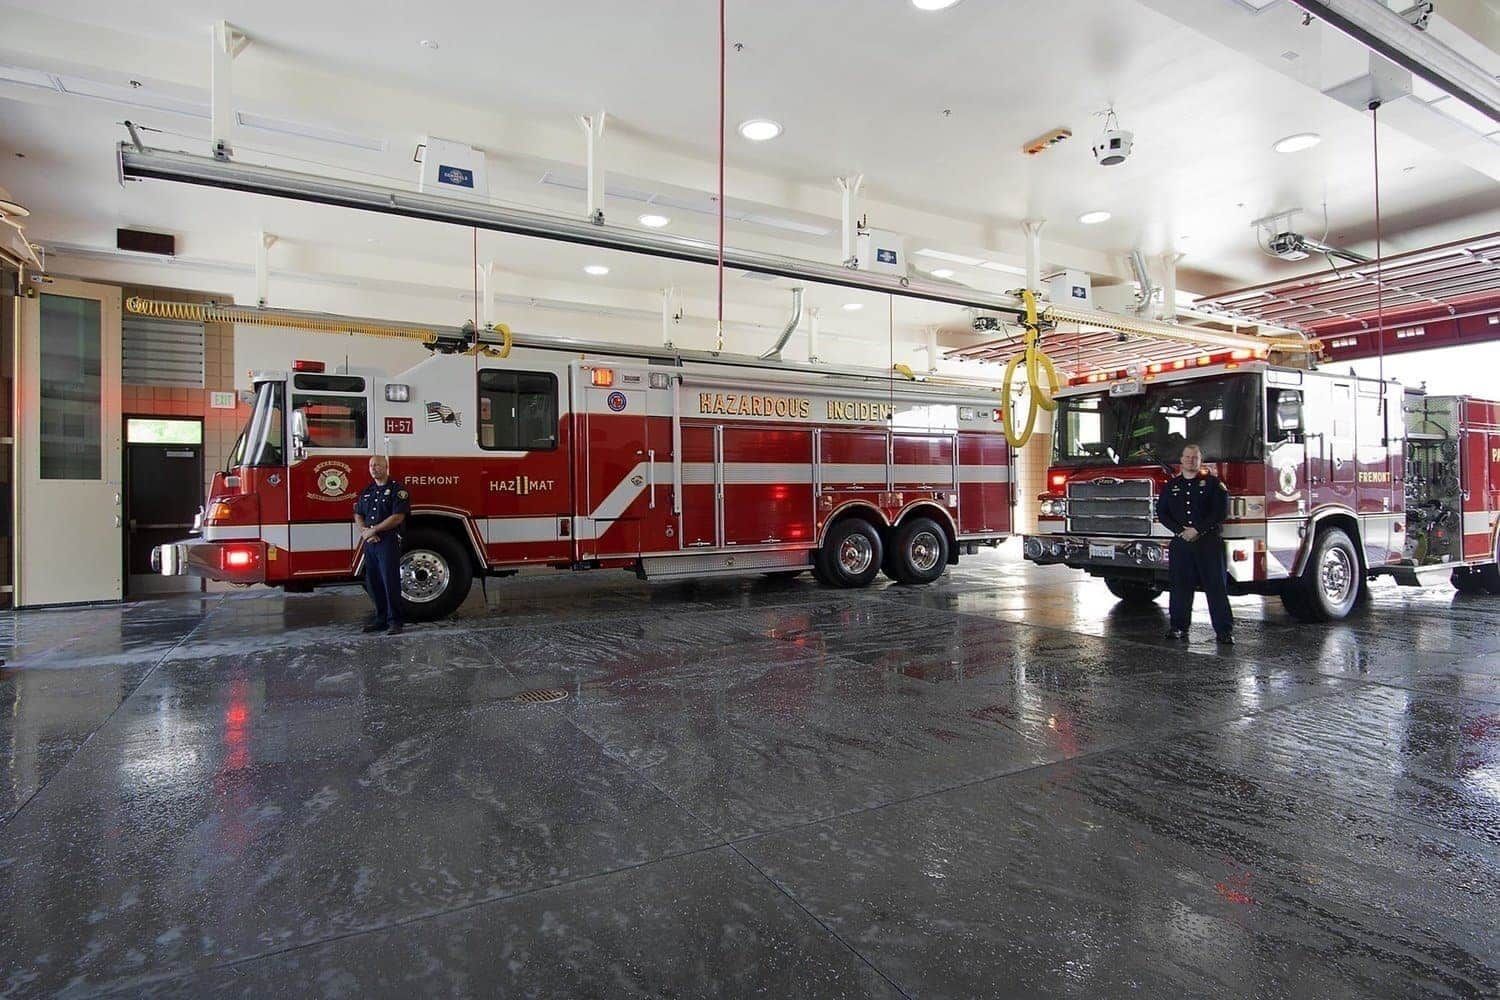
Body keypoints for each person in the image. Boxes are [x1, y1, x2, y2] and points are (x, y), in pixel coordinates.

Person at [1156, 443, 1233, 644]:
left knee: (1216, 587)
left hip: (1208, 543)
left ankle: (1224, 631)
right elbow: (1162, 513)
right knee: (1180, 587)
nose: (1191, 460)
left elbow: (1220, 512)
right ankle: (1178, 627)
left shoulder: (1213, 484)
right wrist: (1180, 531)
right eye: (1188, 457)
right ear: (1181, 460)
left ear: (1200, 461)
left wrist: (1197, 529)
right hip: (1181, 544)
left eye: (1195, 457)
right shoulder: (1171, 486)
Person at [354, 455, 410, 634]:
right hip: (370, 542)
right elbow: (358, 513)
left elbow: (398, 516)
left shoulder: (397, 490)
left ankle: (395, 621)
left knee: (390, 581)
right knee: (374, 582)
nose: (373, 468)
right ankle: (381, 619)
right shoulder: (368, 490)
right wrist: (365, 531)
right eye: (371, 465)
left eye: (377, 465)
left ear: (386, 467)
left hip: (387, 540)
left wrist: (375, 530)